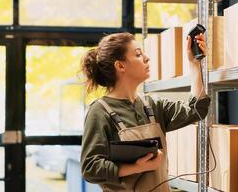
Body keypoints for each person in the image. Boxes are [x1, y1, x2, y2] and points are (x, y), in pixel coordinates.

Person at [80, 32, 210, 192]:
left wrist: (194, 64)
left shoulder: (153, 105)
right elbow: (90, 168)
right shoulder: (99, 111)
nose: (146, 58)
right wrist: (136, 167)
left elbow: (196, 110)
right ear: (120, 66)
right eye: (138, 54)